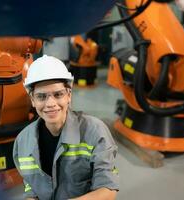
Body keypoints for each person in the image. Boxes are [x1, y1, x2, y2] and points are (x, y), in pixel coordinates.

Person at [13, 55, 119, 200]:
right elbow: (31, 187)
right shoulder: (23, 141)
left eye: (58, 94)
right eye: (41, 97)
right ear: (32, 100)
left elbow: (108, 190)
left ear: (69, 95)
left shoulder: (95, 132)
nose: (50, 103)